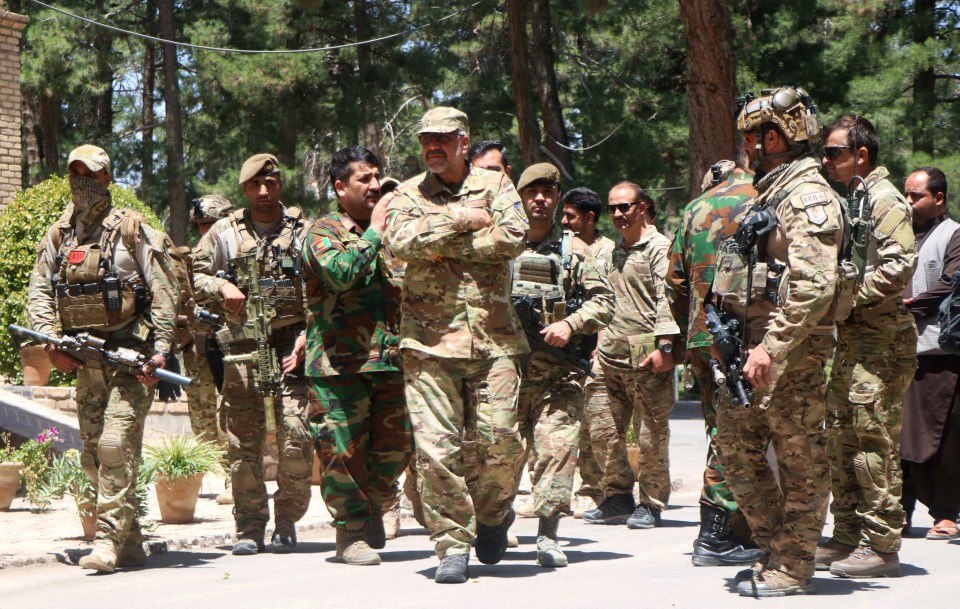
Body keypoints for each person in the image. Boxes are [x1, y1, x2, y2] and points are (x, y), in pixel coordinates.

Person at [384, 106, 528, 584]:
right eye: (427, 140)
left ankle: (492, 515)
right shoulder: (406, 193)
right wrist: (465, 219)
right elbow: (400, 242)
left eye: (444, 139)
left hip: (495, 339)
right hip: (427, 344)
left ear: (464, 142)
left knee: (501, 441)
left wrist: (443, 239)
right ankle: (452, 544)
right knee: (436, 450)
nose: (433, 147)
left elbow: (513, 235)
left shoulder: (496, 184)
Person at [711, 87, 844, 597]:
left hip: (792, 353)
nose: (746, 148)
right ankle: (775, 548)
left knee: (801, 462)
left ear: (774, 137)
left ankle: (793, 564)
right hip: (755, 349)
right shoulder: (773, 195)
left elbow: (815, 285)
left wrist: (773, 346)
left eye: (751, 136)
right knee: (735, 448)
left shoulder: (806, 196)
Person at [27, 144, 180, 573]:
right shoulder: (60, 234)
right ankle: (131, 543)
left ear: (107, 179)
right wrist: (51, 343)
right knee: (94, 456)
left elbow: (166, 292)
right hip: (84, 363)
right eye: (75, 172)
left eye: (90, 174)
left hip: (133, 360)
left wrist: (162, 351)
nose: (82, 182)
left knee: (115, 445)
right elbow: (40, 293)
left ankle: (109, 542)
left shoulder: (133, 230)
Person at [192, 153, 315, 556]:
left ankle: (286, 522)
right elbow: (193, 274)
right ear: (243, 189)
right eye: (255, 186)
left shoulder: (303, 230)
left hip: (292, 342)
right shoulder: (224, 233)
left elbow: (323, 286)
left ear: (281, 185)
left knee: (296, 435)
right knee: (242, 440)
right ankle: (249, 526)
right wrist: (220, 288)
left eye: (272, 184)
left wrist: (308, 336)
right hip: (242, 343)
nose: (265, 192)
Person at [816, 115, 917, 578]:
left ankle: (882, 545)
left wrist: (845, 296)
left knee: (873, 440)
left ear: (861, 154)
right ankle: (847, 535)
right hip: (853, 341)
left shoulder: (883, 199)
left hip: (881, 343)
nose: (826, 160)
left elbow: (899, 267)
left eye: (834, 151)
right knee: (841, 437)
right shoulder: (854, 200)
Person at [303, 146, 412, 566]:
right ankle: (349, 533)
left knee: (398, 446)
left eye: (376, 177)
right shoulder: (323, 231)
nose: (372, 185)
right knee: (341, 453)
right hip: (338, 365)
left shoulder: (394, 234)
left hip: (392, 361)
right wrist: (375, 231)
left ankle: (375, 504)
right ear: (339, 187)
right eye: (362, 179)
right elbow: (341, 273)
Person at [510, 163, 614, 567]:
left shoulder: (576, 250)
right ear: (520, 196)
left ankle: (548, 534)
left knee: (557, 451)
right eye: (532, 191)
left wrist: (571, 325)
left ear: (557, 199)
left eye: (548, 192)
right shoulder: (502, 246)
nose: (540, 198)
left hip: (558, 374)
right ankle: (495, 519)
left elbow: (604, 301)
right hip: (506, 374)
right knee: (498, 455)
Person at [665, 146, 763, 567]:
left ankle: (735, 527)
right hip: (745, 336)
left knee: (719, 430)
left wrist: (692, 328)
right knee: (740, 436)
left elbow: (674, 282)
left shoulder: (693, 209)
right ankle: (716, 533)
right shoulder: (763, 197)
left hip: (705, 338)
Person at [581, 182, 680, 530]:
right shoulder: (611, 251)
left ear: (642, 207)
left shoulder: (658, 247)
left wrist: (664, 348)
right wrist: (597, 340)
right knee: (600, 427)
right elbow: (602, 300)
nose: (619, 215)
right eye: (613, 209)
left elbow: (667, 300)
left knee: (650, 432)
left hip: (645, 346)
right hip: (610, 350)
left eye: (625, 207)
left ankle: (651, 503)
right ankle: (617, 496)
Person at [901, 167, 960, 541]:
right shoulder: (899, 235)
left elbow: (953, 281)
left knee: (947, 436)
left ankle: (945, 514)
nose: (908, 202)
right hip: (900, 349)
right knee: (897, 435)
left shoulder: (953, 234)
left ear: (938, 198)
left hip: (941, 352)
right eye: (906, 195)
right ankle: (898, 512)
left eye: (916, 196)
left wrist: (911, 305)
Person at [560, 186, 615, 517]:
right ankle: (566, 491)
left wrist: (602, 343)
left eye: (571, 216)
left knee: (597, 424)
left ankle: (596, 489)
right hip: (566, 345)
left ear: (589, 218)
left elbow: (609, 300)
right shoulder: (562, 248)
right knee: (568, 422)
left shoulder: (608, 251)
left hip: (598, 347)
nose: (564, 221)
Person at [184, 194, 234, 505]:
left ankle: (235, 478)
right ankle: (204, 475)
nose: (204, 231)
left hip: (229, 345)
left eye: (210, 224)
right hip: (198, 346)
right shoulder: (190, 258)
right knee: (200, 414)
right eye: (200, 225)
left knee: (229, 411)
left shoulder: (235, 254)